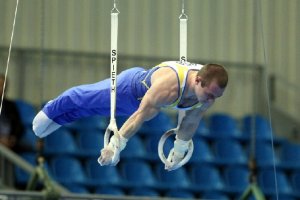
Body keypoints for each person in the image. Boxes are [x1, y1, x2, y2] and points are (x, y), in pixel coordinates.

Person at [32, 61, 228, 170]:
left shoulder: (207, 94)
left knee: (90, 110)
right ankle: (52, 108)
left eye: (216, 97)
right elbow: (139, 116)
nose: (211, 100)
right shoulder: (170, 86)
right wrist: (114, 145)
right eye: (210, 94)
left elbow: (191, 122)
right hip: (128, 89)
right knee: (84, 99)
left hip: (142, 103)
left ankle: (60, 118)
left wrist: (179, 151)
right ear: (197, 80)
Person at [0, 74, 24, 152]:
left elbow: (18, 125)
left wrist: (13, 138)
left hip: (9, 143)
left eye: (3, 86)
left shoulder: (11, 105)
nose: (1, 89)